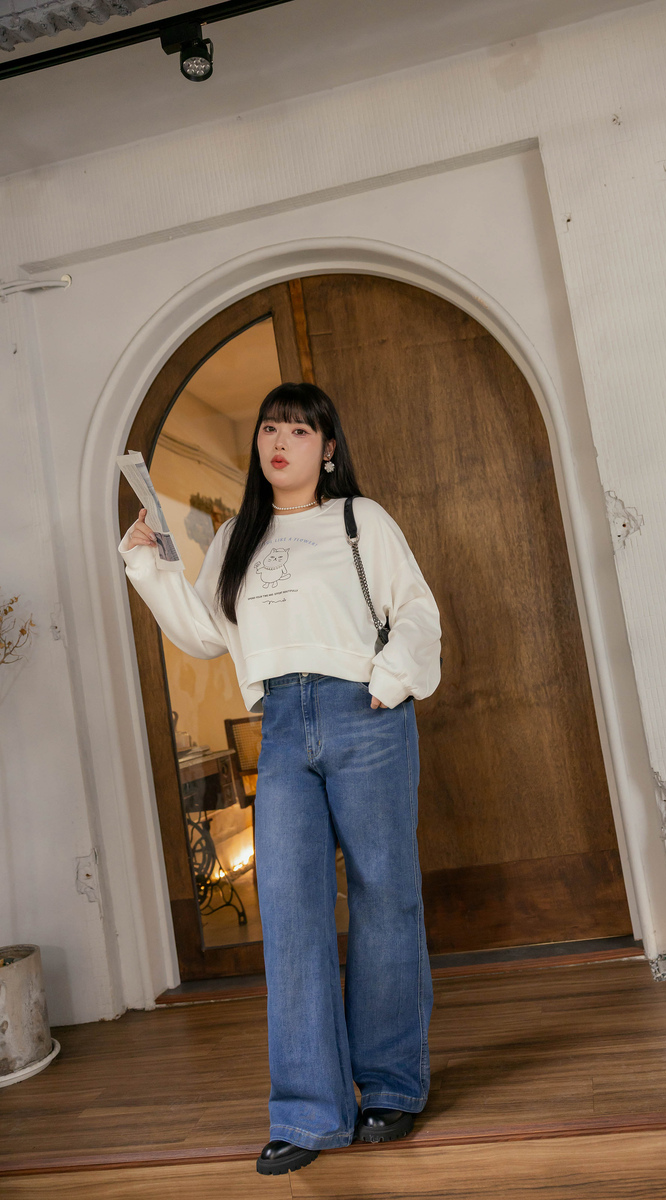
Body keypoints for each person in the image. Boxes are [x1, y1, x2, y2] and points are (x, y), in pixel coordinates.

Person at [118, 381, 441, 1176]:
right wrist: (146, 562)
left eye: (299, 430)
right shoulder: (238, 536)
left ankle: (391, 1087)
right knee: (291, 911)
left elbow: (417, 611)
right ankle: (309, 1113)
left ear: (327, 449)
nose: (280, 442)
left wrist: (388, 679)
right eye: (270, 428)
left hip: (364, 714)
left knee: (385, 897)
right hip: (282, 725)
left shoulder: (362, 520)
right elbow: (204, 633)